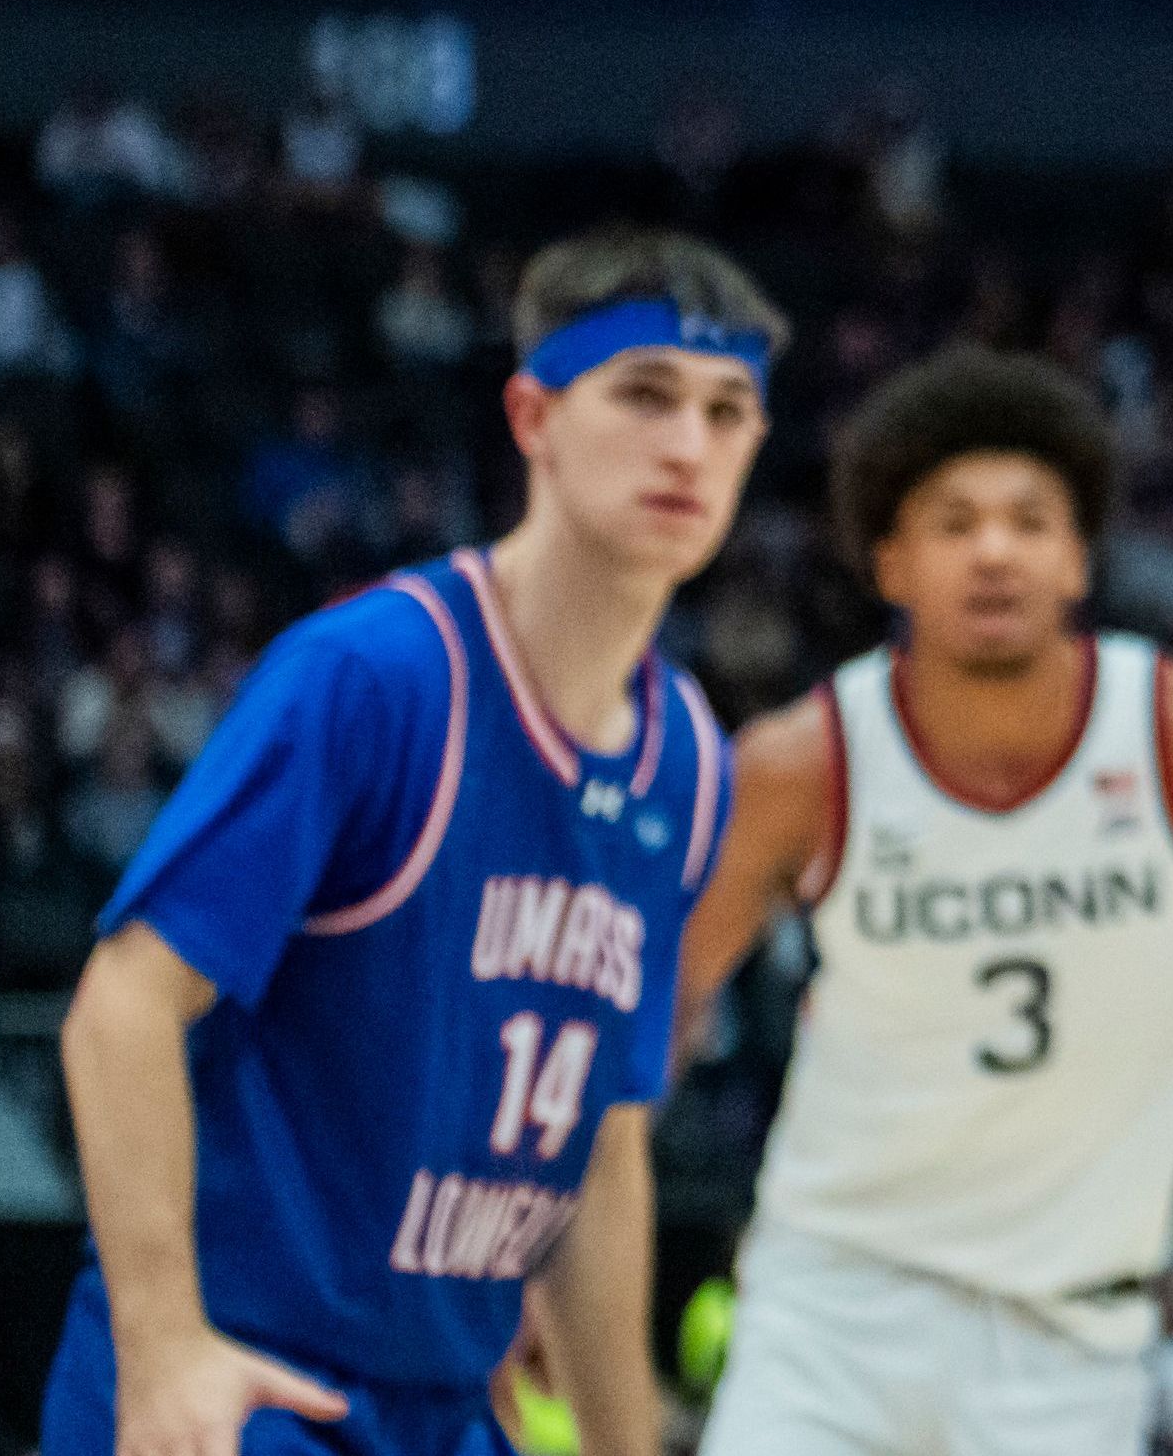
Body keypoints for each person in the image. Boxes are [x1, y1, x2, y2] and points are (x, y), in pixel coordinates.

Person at [46, 232, 776, 1456]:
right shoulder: (379, 676)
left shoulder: (691, 761)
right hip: (249, 1376)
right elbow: (119, 1008)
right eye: (644, 395)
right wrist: (164, 1346)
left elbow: (601, 1151)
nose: (688, 445)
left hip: (443, 1407)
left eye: (728, 410)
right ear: (533, 414)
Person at [678, 347, 1173, 1456]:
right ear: (890, 561)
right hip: (834, 1305)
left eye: (1029, 520)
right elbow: (657, 1010)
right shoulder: (798, 765)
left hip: (1074, 1333)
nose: (995, 549)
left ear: (1078, 558)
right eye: (954, 522)